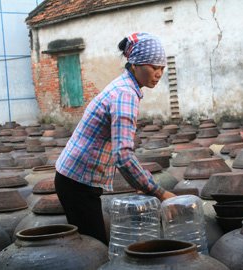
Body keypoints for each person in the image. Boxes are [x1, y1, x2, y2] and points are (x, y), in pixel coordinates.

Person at [55, 32, 176, 245]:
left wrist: (141, 183)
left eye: (162, 68)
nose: (158, 74)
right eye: (153, 67)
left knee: (91, 245)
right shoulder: (125, 95)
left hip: (75, 178)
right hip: (77, 183)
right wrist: (159, 192)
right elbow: (123, 156)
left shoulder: (124, 87)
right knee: (94, 248)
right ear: (135, 64)